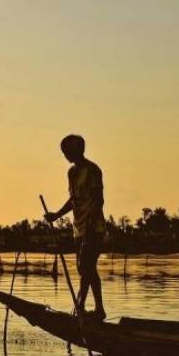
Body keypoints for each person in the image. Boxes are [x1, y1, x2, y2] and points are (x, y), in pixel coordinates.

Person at [44, 134, 107, 320]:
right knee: (85, 269)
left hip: (94, 228)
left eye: (67, 151)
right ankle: (88, 309)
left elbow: (98, 200)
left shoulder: (93, 170)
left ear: (77, 150)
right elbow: (73, 200)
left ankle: (86, 307)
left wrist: (90, 224)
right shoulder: (72, 173)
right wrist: (56, 215)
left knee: (85, 265)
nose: (65, 155)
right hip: (78, 228)